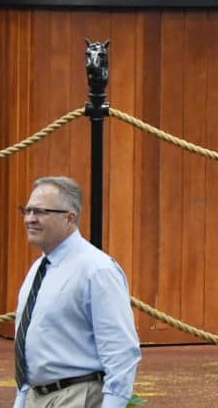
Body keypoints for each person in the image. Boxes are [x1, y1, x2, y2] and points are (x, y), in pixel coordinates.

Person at [12, 175, 140, 408]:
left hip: (77, 397)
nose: (30, 219)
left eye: (40, 212)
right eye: (27, 210)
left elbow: (121, 353)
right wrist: (21, 400)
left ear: (69, 218)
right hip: (36, 397)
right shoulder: (38, 270)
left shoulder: (97, 270)